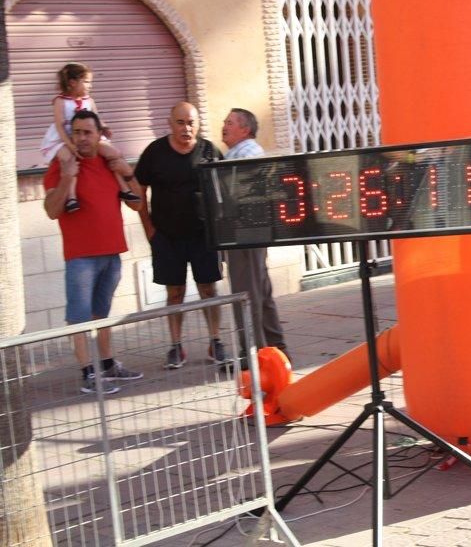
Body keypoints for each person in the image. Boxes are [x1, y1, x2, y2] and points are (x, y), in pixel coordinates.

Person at [43, 110, 144, 393]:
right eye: (77, 132)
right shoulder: (61, 164)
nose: (82, 138)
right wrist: (66, 178)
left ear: (99, 134)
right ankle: (88, 373)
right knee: (78, 315)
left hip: (111, 252)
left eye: (88, 132)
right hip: (80, 256)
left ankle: (108, 364)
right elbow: (51, 210)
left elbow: (136, 204)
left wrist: (127, 171)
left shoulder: (108, 161)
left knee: (103, 313)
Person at [134, 102, 229, 369]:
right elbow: (138, 190)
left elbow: (226, 189)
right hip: (166, 236)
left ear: (198, 124)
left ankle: (216, 341)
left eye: (191, 123)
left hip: (203, 236)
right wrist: (149, 230)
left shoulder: (209, 150)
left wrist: (221, 228)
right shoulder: (155, 152)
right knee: (174, 292)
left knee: (209, 289)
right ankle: (176, 346)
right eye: (180, 122)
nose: (186, 128)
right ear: (170, 123)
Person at [221, 108, 289, 359]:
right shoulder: (236, 152)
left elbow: (236, 193)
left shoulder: (246, 152)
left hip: (244, 232)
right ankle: (276, 348)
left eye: (230, 122)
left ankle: (256, 354)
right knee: (260, 290)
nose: (224, 126)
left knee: (248, 295)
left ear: (245, 129)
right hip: (247, 232)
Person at [40, 62, 140, 213]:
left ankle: (124, 188)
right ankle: (72, 197)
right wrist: (70, 145)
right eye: (86, 81)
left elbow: (97, 119)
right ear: (73, 82)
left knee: (114, 154)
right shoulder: (60, 101)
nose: (89, 85)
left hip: (88, 137)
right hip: (63, 139)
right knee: (68, 159)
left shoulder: (89, 101)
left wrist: (104, 128)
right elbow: (60, 126)